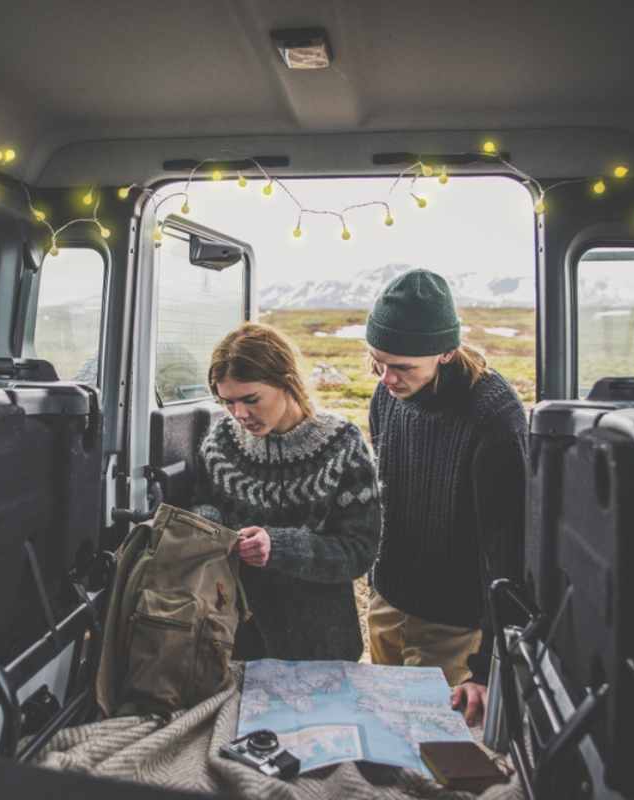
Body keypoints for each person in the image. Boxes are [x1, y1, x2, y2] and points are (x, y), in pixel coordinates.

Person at [363, 268, 527, 725]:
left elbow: (508, 550)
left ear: (447, 352)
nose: (386, 379)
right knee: (384, 725)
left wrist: (487, 665)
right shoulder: (387, 395)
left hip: (453, 625)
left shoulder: (494, 417)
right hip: (387, 603)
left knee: (431, 744)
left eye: (402, 367)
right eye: (377, 362)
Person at [190, 322, 381, 661]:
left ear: (287, 381)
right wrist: (209, 529)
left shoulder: (342, 445)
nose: (239, 414)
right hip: (236, 639)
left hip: (321, 643)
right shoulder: (219, 442)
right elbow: (201, 505)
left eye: (251, 399)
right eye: (228, 402)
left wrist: (279, 547)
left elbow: (359, 550)